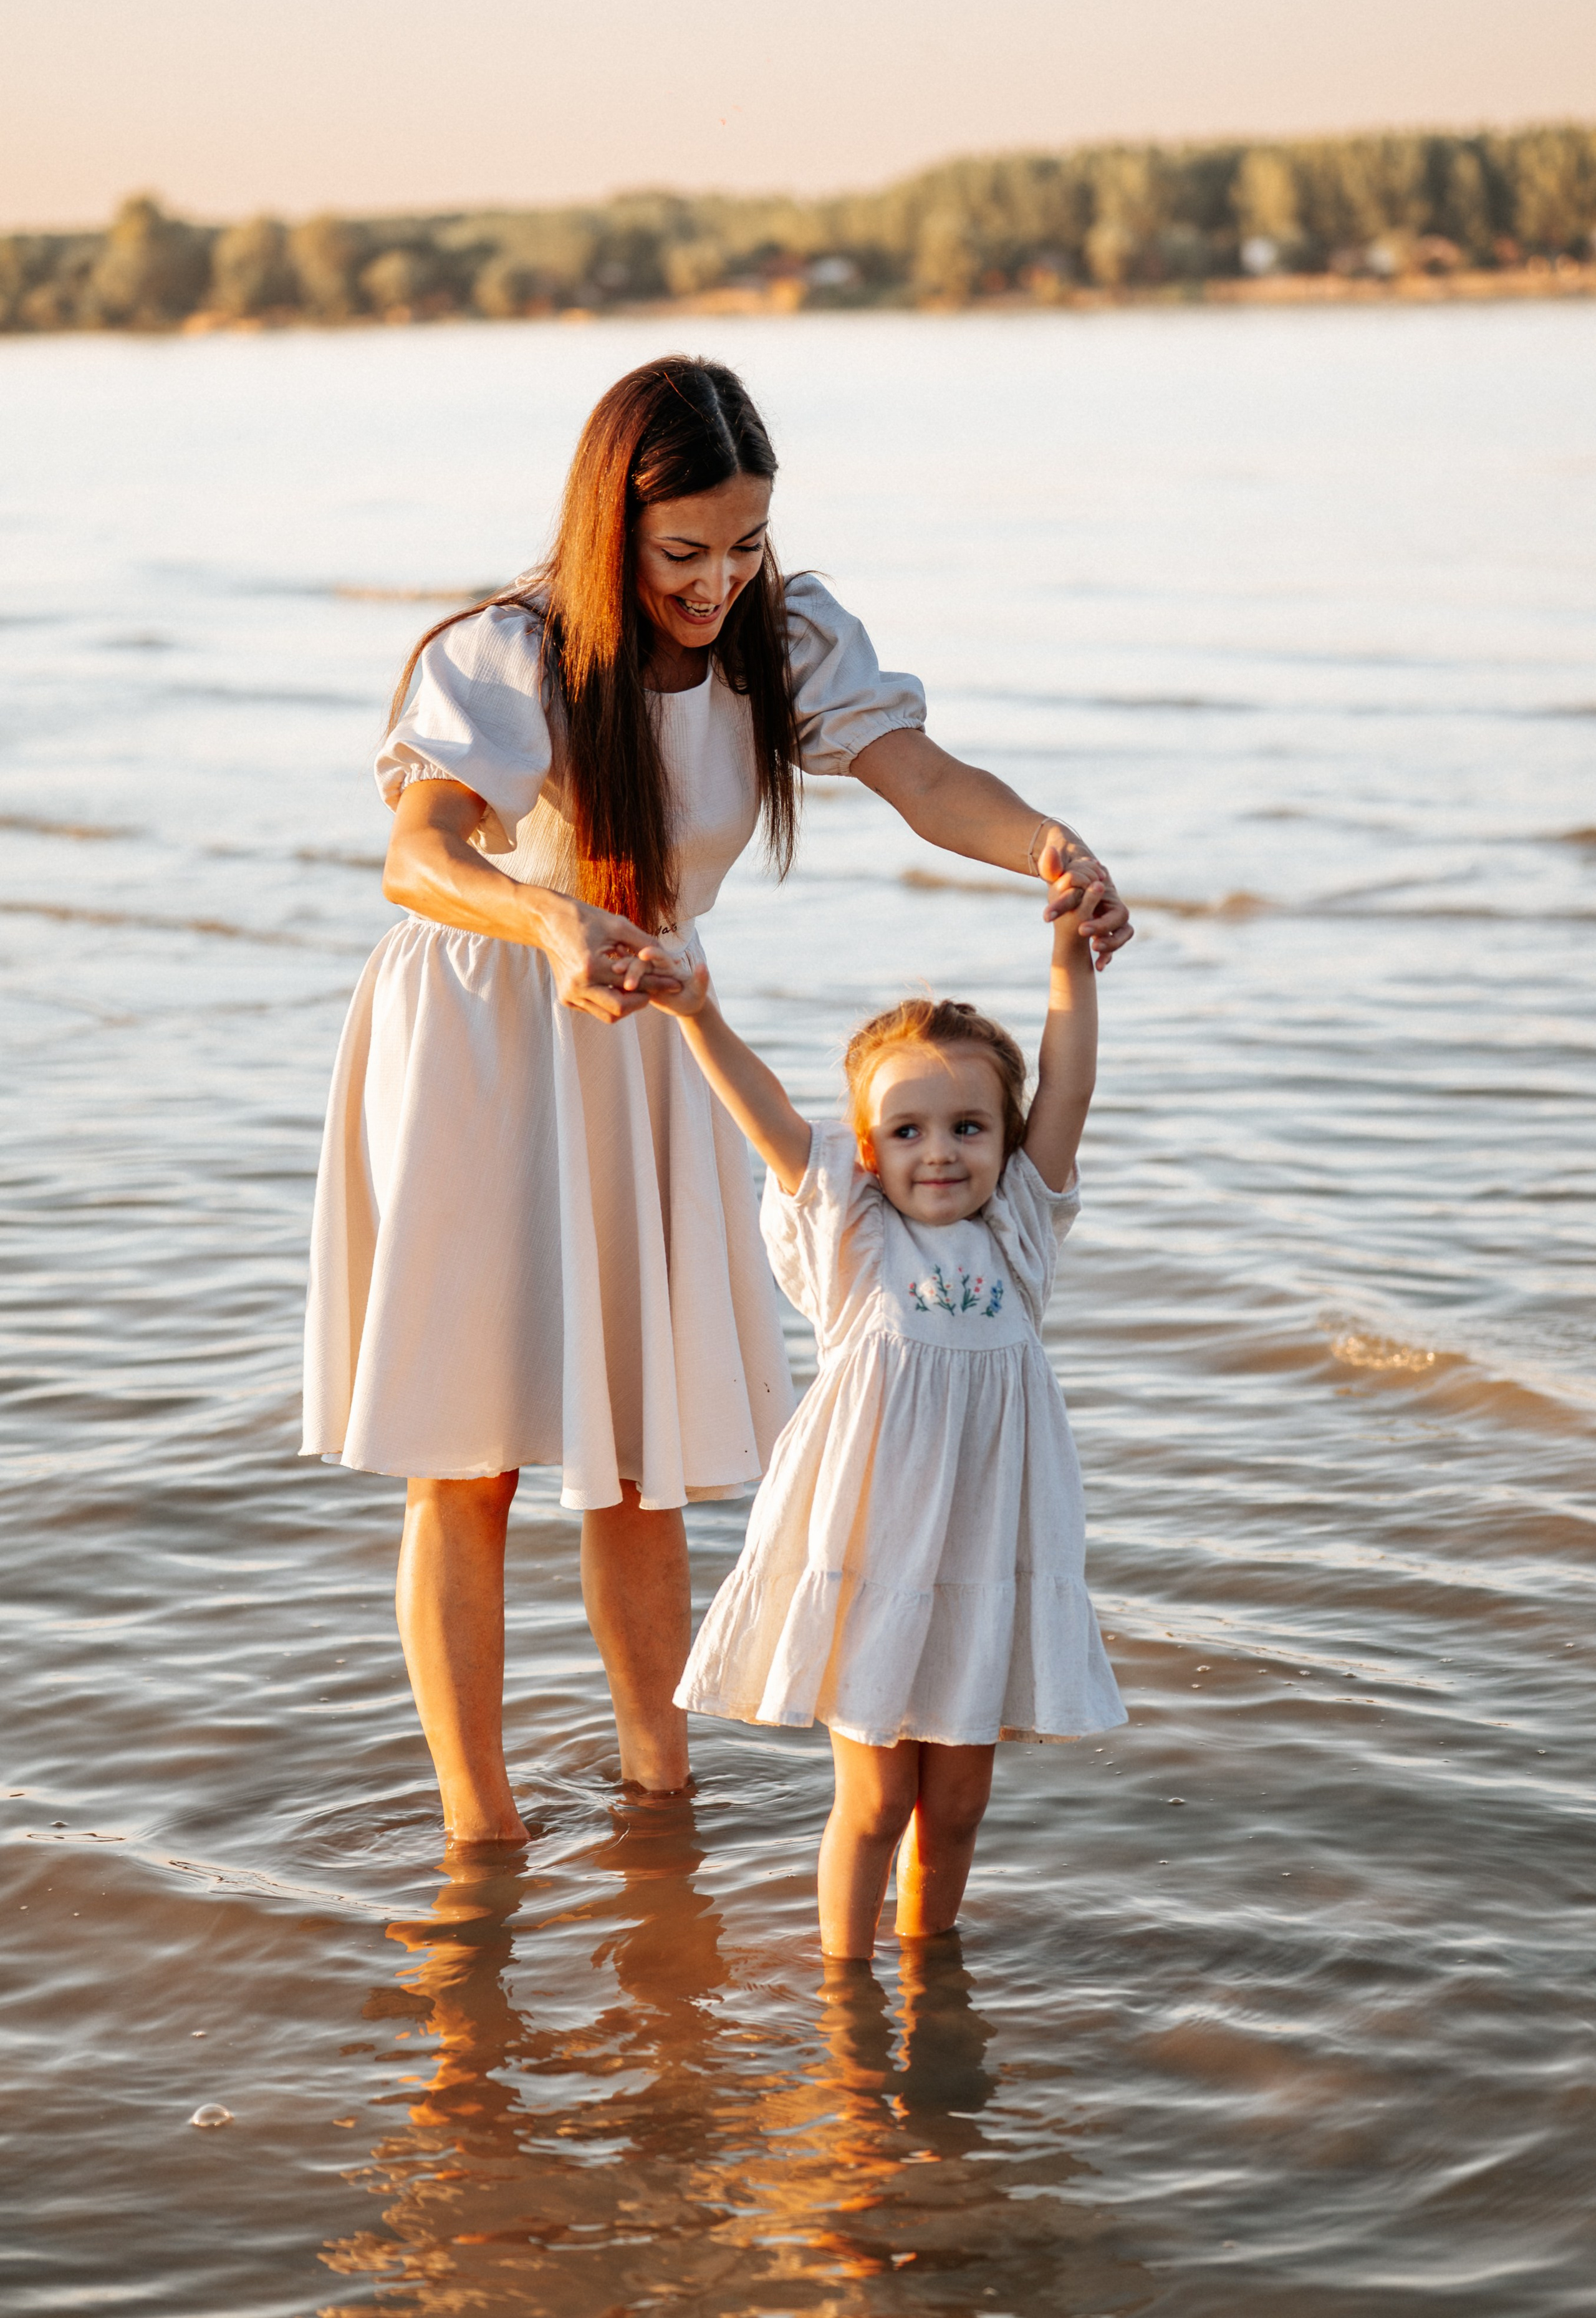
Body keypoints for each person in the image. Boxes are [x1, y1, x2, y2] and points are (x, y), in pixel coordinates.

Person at [302, 354, 1132, 1844]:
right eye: (684, 551)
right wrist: (547, 917)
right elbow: (415, 854)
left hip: (649, 1024)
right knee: (469, 1458)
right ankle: (480, 1827)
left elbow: (923, 779)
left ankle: (656, 1794)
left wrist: (1046, 846)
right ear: (611, 528)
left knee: (645, 1449)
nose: (717, 579)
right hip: (488, 1025)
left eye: (743, 543)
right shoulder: (510, 651)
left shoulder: (784, 637)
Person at [657, 887, 1127, 1958]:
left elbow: (1072, 1084)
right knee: (873, 1805)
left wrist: (1070, 958)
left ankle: (930, 1963)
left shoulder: (1019, 1233)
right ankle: (845, 1989)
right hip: (874, 1564)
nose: (940, 1153)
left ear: (1008, 1142)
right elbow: (770, 1119)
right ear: (866, 1149)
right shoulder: (857, 1245)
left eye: (968, 1128)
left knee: (957, 1805)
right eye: (906, 1131)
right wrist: (697, 1016)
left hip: (986, 1566)